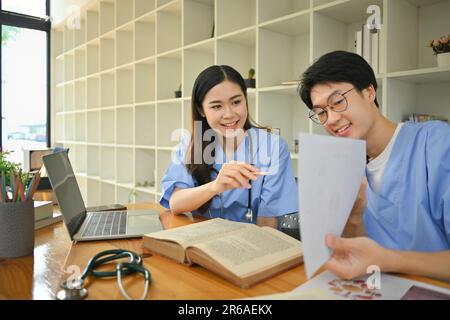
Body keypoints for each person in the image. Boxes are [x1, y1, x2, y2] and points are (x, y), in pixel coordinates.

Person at [299, 51, 450, 282]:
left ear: (369, 92)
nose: (330, 119)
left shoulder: (437, 144)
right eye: (321, 113)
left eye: (338, 102)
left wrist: (390, 260)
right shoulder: (345, 165)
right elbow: (359, 255)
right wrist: (355, 219)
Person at [160, 65, 298, 227]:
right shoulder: (189, 145)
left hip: (250, 242)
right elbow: (176, 204)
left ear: (246, 100)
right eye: (217, 106)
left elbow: (268, 221)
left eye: (236, 102)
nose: (230, 114)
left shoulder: (272, 146)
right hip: (201, 241)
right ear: (201, 109)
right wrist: (215, 187)